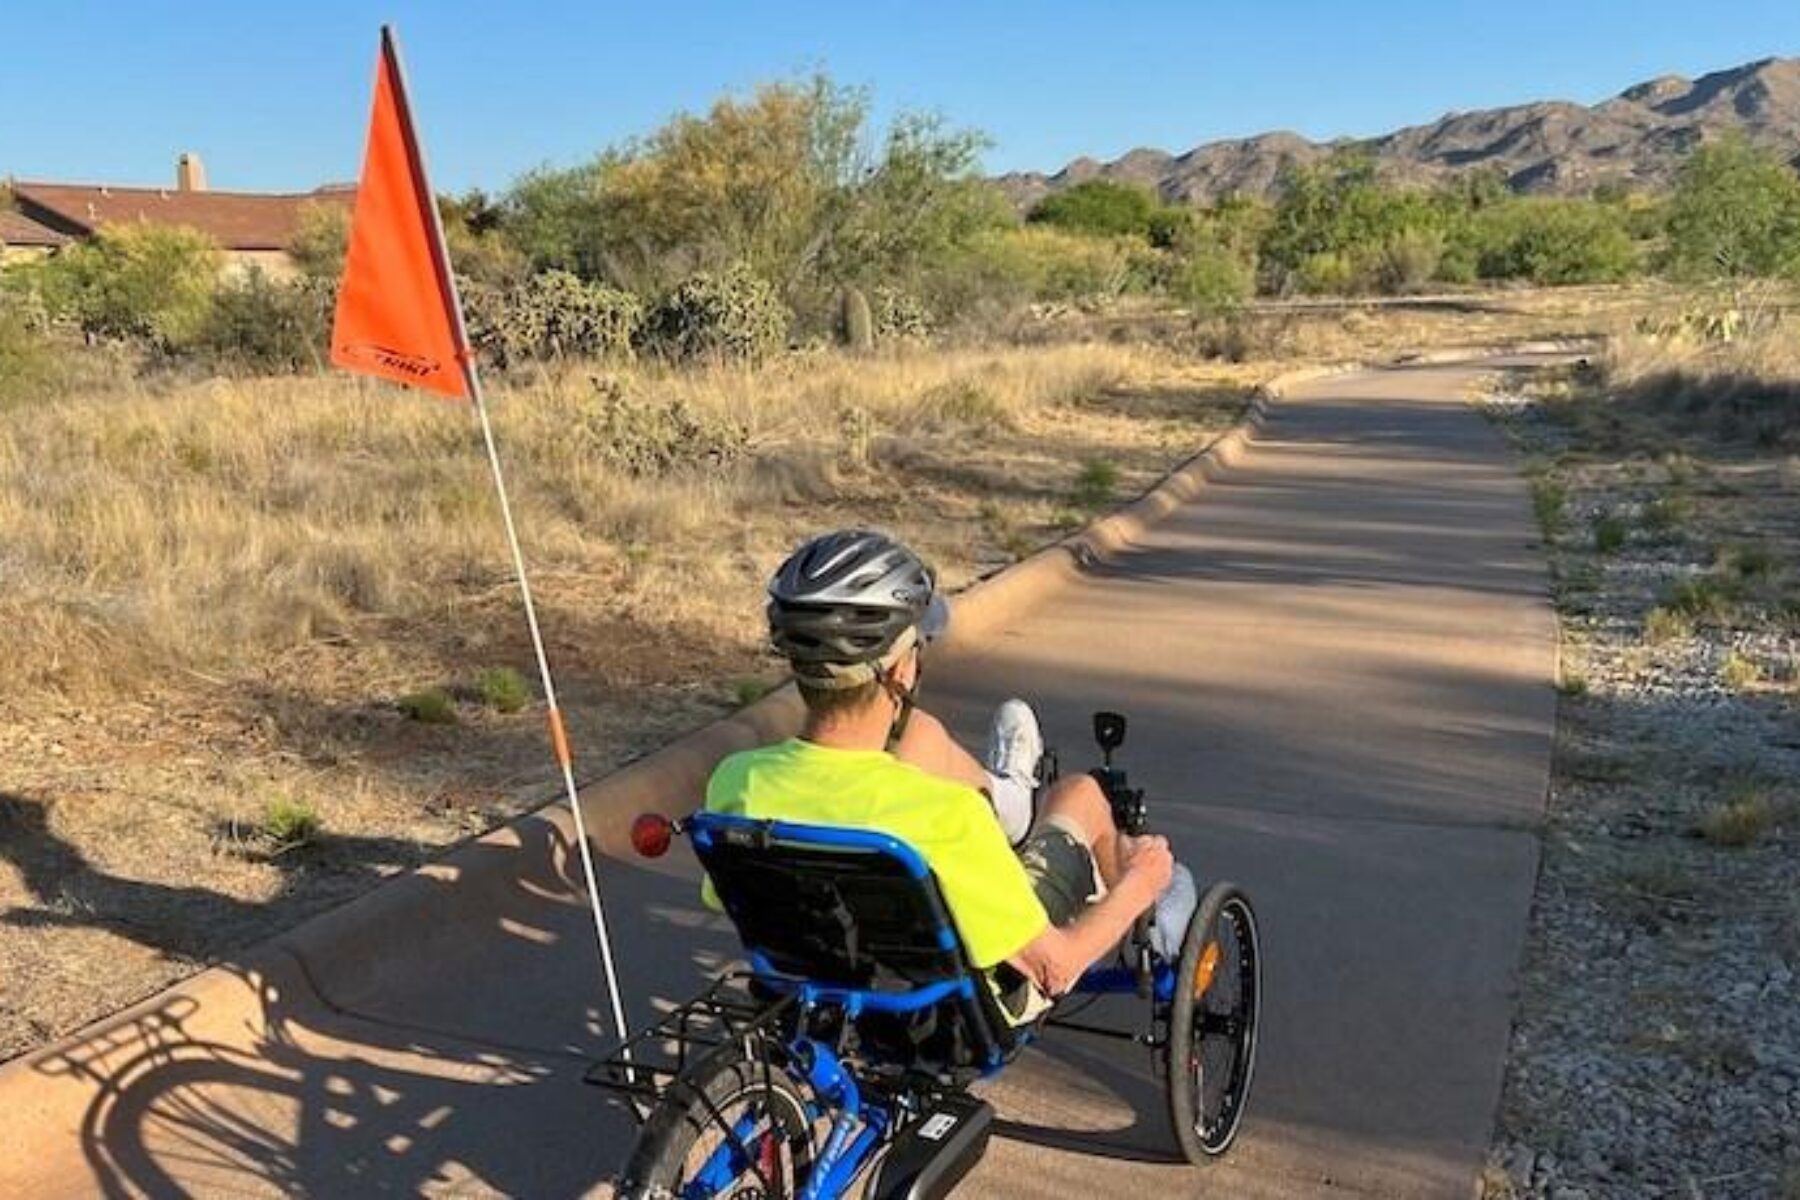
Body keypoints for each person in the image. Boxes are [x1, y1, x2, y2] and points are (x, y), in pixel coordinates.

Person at [703, 529, 1189, 1017]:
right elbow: (1054, 969)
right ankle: (1143, 912)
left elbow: (726, 899)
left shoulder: (737, 780)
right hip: (958, 1010)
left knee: (917, 739)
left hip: (814, 982)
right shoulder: (947, 817)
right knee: (1080, 794)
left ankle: (1011, 797)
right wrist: (1140, 884)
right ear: (899, 672)